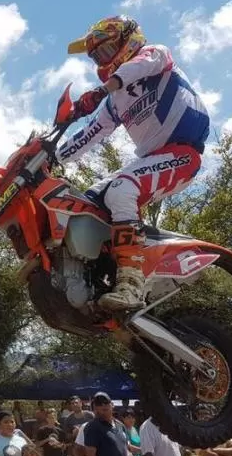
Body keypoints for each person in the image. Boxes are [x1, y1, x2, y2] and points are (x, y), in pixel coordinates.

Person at [58, 16, 210, 311]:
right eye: (97, 57)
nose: (103, 61)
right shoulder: (115, 101)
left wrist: (102, 90)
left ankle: (131, 282)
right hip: (151, 160)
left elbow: (138, 66)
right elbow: (89, 135)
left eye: (105, 51)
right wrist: (51, 156)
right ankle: (95, 276)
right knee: (86, 203)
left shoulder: (157, 56)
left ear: (128, 40)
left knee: (122, 190)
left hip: (183, 153)